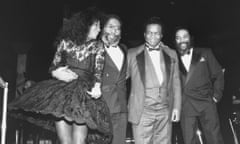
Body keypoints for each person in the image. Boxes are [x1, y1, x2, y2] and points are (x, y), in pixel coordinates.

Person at [8, 8, 112, 144]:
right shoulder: (65, 43)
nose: (99, 29)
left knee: (79, 141)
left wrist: (97, 86)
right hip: (62, 95)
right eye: (96, 25)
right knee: (64, 141)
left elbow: (98, 71)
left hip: (83, 96)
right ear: (85, 26)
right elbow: (53, 66)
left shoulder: (98, 46)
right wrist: (57, 72)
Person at [127, 17, 182, 144]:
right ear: (145, 34)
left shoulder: (172, 54)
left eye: (156, 33)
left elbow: (176, 84)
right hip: (142, 111)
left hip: (165, 110)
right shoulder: (132, 54)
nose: (153, 36)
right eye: (150, 33)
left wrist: (177, 108)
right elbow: (119, 79)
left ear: (161, 35)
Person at [175, 28, 224, 144]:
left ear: (190, 38)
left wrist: (216, 96)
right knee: (189, 140)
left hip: (206, 102)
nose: (182, 40)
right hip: (186, 105)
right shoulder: (173, 58)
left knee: (214, 139)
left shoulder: (205, 52)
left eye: (184, 36)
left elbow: (218, 74)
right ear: (175, 41)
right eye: (178, 37)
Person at [100, 14, 128, 144]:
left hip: (121, 106)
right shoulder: (93, 48)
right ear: (102, 28)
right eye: (110, 26)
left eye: (118, 28)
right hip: (101, 105)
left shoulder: (125, 49)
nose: (114, 31)